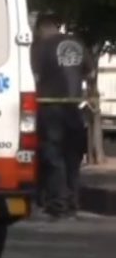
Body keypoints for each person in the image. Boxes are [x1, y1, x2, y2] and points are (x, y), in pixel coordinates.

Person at [31, 12, 94, 219]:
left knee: (53, 155)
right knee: (72, 157)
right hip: (74, 107)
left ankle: (59, 204)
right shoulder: (76, 42)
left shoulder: (41, 47)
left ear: (41, 28)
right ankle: (73, 202)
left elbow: (35, 77)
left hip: (51, 109)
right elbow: (90, 73)